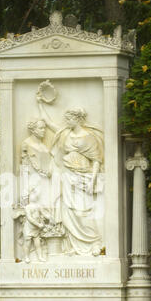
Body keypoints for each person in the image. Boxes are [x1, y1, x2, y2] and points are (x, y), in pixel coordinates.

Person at [38, 101, 104, 256]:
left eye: (69, 119)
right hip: (68, 176)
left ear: (77, 119)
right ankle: (73, 247)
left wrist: (93, 180)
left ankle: (94, 242)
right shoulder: (64, 134)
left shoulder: (89, 138)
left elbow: (96, 161)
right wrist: (40, 101)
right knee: (68, 211)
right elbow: (48, 122)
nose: (66, 122)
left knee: (83, 211)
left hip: (84, 177)